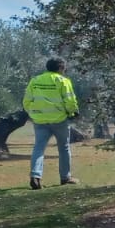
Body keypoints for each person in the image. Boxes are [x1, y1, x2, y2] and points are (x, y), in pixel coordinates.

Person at [23, 57, 80, 190]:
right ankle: (65, 177)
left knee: (39, 148)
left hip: (39, 120)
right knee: (64, 148)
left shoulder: (35, 81)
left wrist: (33, 113)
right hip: (59, 120)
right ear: (60, 68)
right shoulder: (63, 81)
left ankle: (35, 176)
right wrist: (73, 113)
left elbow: (26, 101)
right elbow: (70, 101)